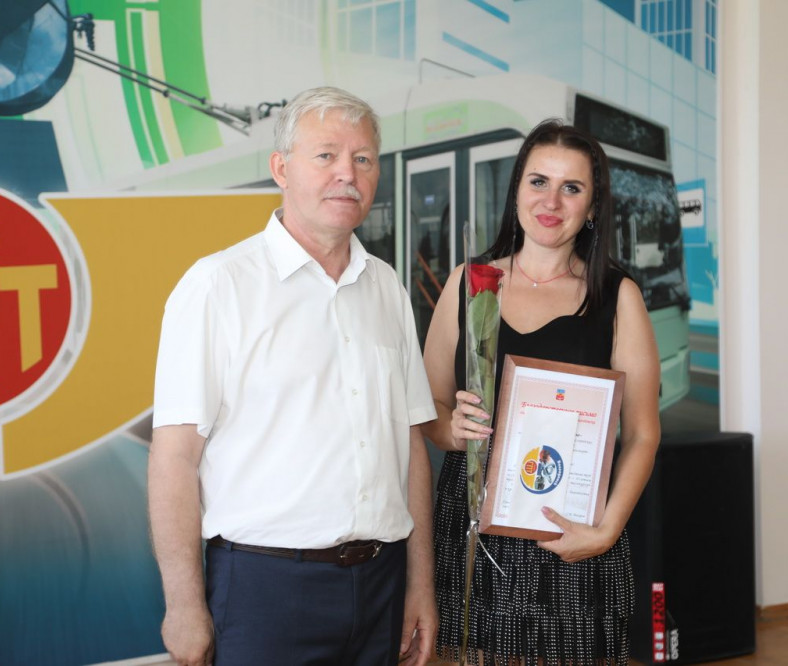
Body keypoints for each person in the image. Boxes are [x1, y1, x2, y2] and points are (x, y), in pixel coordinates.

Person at [148, 86, 438, 666]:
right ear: (281, 168)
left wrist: (420, 585)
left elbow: (408, 444)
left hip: (381, 586)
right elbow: (174, 458)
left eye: (363, 158)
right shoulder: (217, 286)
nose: (347, 174)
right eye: (326, 155)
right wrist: (182, 606)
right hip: (266, 591)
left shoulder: (386, 286)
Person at [422, 119, 661, 665]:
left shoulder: (616, 297)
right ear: (517, 191)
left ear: (592, 206)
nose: (551, 201)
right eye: (538, 182)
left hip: (572, 534)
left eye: (571, 187)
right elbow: (430, 411)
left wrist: (606, 531)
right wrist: (453, 431)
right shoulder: (468, 283)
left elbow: (643, 435)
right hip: (473, 529)